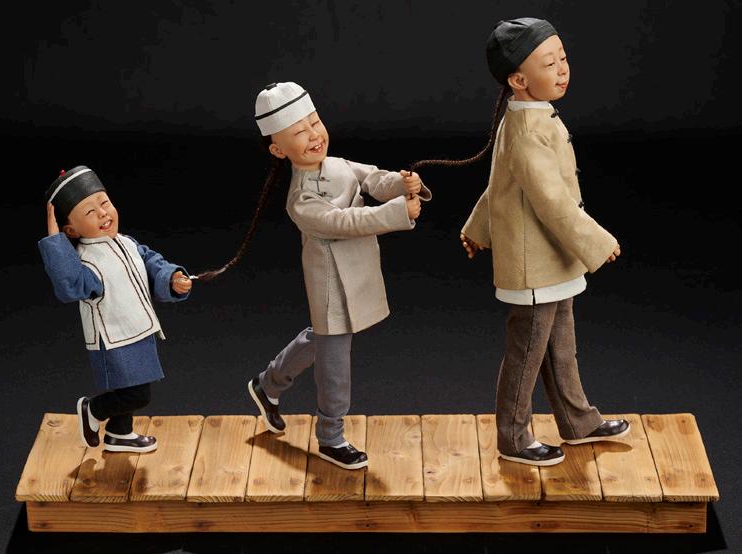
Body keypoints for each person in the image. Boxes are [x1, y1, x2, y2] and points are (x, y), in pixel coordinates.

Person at [420, 18, 629, 466]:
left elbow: (499, 186)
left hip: (553, 257)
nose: (562, 69)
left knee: (560, 347)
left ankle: (577, 421)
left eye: (563, 58)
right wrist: (596, 241)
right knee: (528, 352)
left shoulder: (526, 118)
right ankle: (513, 436)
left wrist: (477, 228)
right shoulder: (526, 131)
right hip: (536, 263)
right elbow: (552, 201)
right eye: (549, 64)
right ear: (518, 80)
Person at [233, 82, 431, 470]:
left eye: (315, 122)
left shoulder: (338, 164)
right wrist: (398, 212)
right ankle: (331, 436)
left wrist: (404, 183)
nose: (313, 135)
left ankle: (268, 384)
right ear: (278, 150)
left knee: (324, 339)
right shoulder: (300, 199)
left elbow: (373, 179)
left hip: (356, 270)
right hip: (329, 281)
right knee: (335, 361)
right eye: (299, 132)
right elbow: (344, 222)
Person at [38, 166, 192, 453]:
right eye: (90, 212)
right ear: (70, 230)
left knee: (131, 388)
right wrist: (55, 241)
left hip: (139, 329)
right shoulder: (85, 261)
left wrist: (172, 278)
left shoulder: (127, 243)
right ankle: (93, 409)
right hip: (113, 338)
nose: (103, 213)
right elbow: (69, 286)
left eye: (104, 203)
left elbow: (151, 263)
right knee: (137, 394)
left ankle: (119, 433)